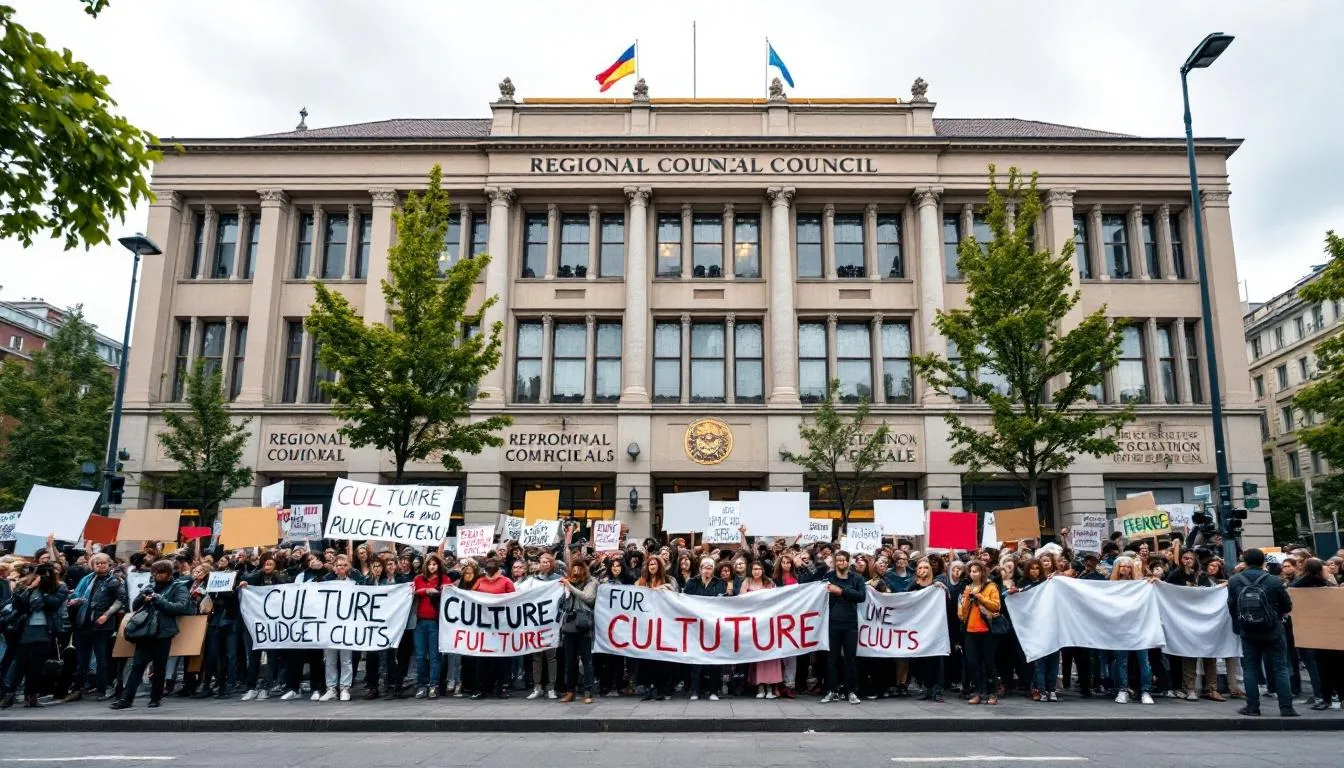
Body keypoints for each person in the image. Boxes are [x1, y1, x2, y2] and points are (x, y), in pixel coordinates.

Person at [1227, 548, 1298, 717]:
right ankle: (1286, 707)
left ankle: (1253, 706)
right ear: (1263, 562)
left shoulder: (1235, 580)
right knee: (1280, 667)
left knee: (1250, 668)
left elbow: (1231, 605)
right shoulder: (1274, 581)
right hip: (1273, 629)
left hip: (1248, 630)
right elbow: (1287, 606)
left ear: (1244, 562)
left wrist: (1239, 624)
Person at [111, 559, 191, 709]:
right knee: (137, 666)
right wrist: (144, 598)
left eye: (160, 573)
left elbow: (180, 607)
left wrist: (157, 599)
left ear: (168, 573)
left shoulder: (178, 587)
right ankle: (126, 699)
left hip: (163, 632)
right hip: (145, 631)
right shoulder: (150, 586)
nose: (156, 576)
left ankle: (155, 698)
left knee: (160, 667)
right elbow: (134, 605)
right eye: (154, 573)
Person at [65, 552, 123, 702]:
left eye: (104, 563)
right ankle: (78, 688)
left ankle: (102, 689)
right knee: (82, 659)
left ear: (109, 564)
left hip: (101, 625)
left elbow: (120, 600)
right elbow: (82, 596)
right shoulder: (88, 579)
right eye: (97, 563)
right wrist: (76, 601)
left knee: (101, 658)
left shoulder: (114, 581)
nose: (100, 565)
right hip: (83, 623)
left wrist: (107, 614)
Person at [238, 552, 287, 701]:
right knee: (253, 656)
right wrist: (260, 572)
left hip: (272, 624)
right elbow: (246, 579)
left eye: (271, 563)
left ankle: (267, 686)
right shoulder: (256, 576)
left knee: (271, 657)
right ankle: (251, 687)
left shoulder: (280, 577)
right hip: (254, 623)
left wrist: (275, 573)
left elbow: (285, 587)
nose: (267, 566)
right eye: (265, 563)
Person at [820, 550, 865, 704]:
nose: (840, 563)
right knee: (832, 660)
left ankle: (851, 691)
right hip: (832, 623)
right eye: (837, 560)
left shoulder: (857, 578)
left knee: (850, 659)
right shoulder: (828, 577)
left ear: (848, 561)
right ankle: (832, 690)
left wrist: (840, 591)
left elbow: (861, 596)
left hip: (850, 624)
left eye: (843, 560)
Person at [682, 556, 726, 701]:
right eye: (704, 565)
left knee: (714, 659)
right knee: (696, 659)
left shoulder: (720, 583)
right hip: (695, 627)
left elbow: (723, 602)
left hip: (713, 627)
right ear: (700, 569)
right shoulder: (692, 583)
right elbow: (683, 601)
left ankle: (713, 691)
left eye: (710, 566)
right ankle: (695, 691)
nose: (707, 568)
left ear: (713, 570)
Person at [471, 557, 515, 700]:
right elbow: (470, 597)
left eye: (492, 566)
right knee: (482, 658)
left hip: (501, 625)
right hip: (483, 626)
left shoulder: (506, 581)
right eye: (487, 566)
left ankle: (503, 687)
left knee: (501, 658)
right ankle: (480, 688)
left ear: (498, 567)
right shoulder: (480, 581)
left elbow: (514, 600)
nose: (489, 569)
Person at [958, 560, 1000, 706]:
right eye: (971, 571)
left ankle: (992, 693)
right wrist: (967, 600)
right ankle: (978, 692)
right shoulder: (967, 588)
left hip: (986, 630)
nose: (972, 573)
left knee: (988, 663)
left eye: (976, 571)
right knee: (973, 663)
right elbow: (963, 611)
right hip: (970, 630)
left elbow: (996, 606)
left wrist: (980, 597)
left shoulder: (991, 586)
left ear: (982, 572)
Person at [740, 560, 783, 699]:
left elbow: (777, 600)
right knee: (758, 655)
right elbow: (740, 600)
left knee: (769, 655)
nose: (756, 571)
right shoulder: (747, 582)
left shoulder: (770, 583)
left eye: (758, 569)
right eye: (753, 569)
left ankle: (770, 688)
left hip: (768, 623)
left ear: (763, 570)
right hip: (754, 623)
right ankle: (760, 687)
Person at [558, 559, 597, 703]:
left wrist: (570, 587)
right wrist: (564, 589)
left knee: (586, 660)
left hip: (583, 625)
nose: (575, 572)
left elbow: (588, 597)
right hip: (569, 624)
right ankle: (570, 691)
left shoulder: (591, 582)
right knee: (570, 662)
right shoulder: (568, 582)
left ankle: (588, 692)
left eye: (578, 569)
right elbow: (561, 603)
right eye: (573, 569)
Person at [527, 551, 563, 700]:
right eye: (542, 562)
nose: (545, 564)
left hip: (551, 623)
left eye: (548, 562)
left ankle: (551, 687)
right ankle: (537, 687)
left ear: (552, 564)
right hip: (536, 623)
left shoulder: (559, 580)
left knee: (551, 657)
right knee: (536, 657)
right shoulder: (532, 581)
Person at [412, 554, 447, 699]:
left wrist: (436, 591)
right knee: (420, 656)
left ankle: (434, 685)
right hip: (419, 622)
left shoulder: (444, 579)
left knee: (434, 656)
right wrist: (426, 591)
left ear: (439, 565)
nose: (432, 566)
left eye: (435, 564)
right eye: (429, 564)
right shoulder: (418, 579)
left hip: (436, 622)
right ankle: (422, 684)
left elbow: (448, 591)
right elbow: (412, 592)